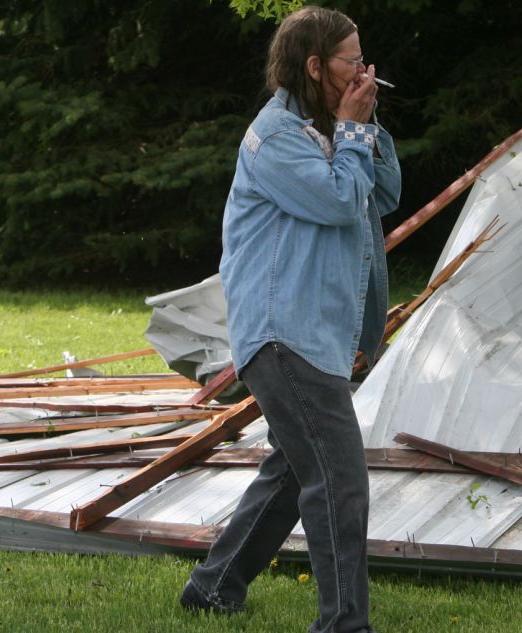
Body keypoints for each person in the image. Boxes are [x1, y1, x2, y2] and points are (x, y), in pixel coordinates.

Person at [179, 7, 400, 633]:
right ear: (313, 66)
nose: (365, 71)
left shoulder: (332, 130)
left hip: (314, 336)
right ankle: (343, 624)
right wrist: (354, 133)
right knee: (339, 482)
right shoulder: (275, 137)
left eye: (364, 60)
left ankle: (212, 588)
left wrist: (364, 123)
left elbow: (381, 194)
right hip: (283, 333)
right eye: (351, 61)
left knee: (293, 472)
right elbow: (336, 201)